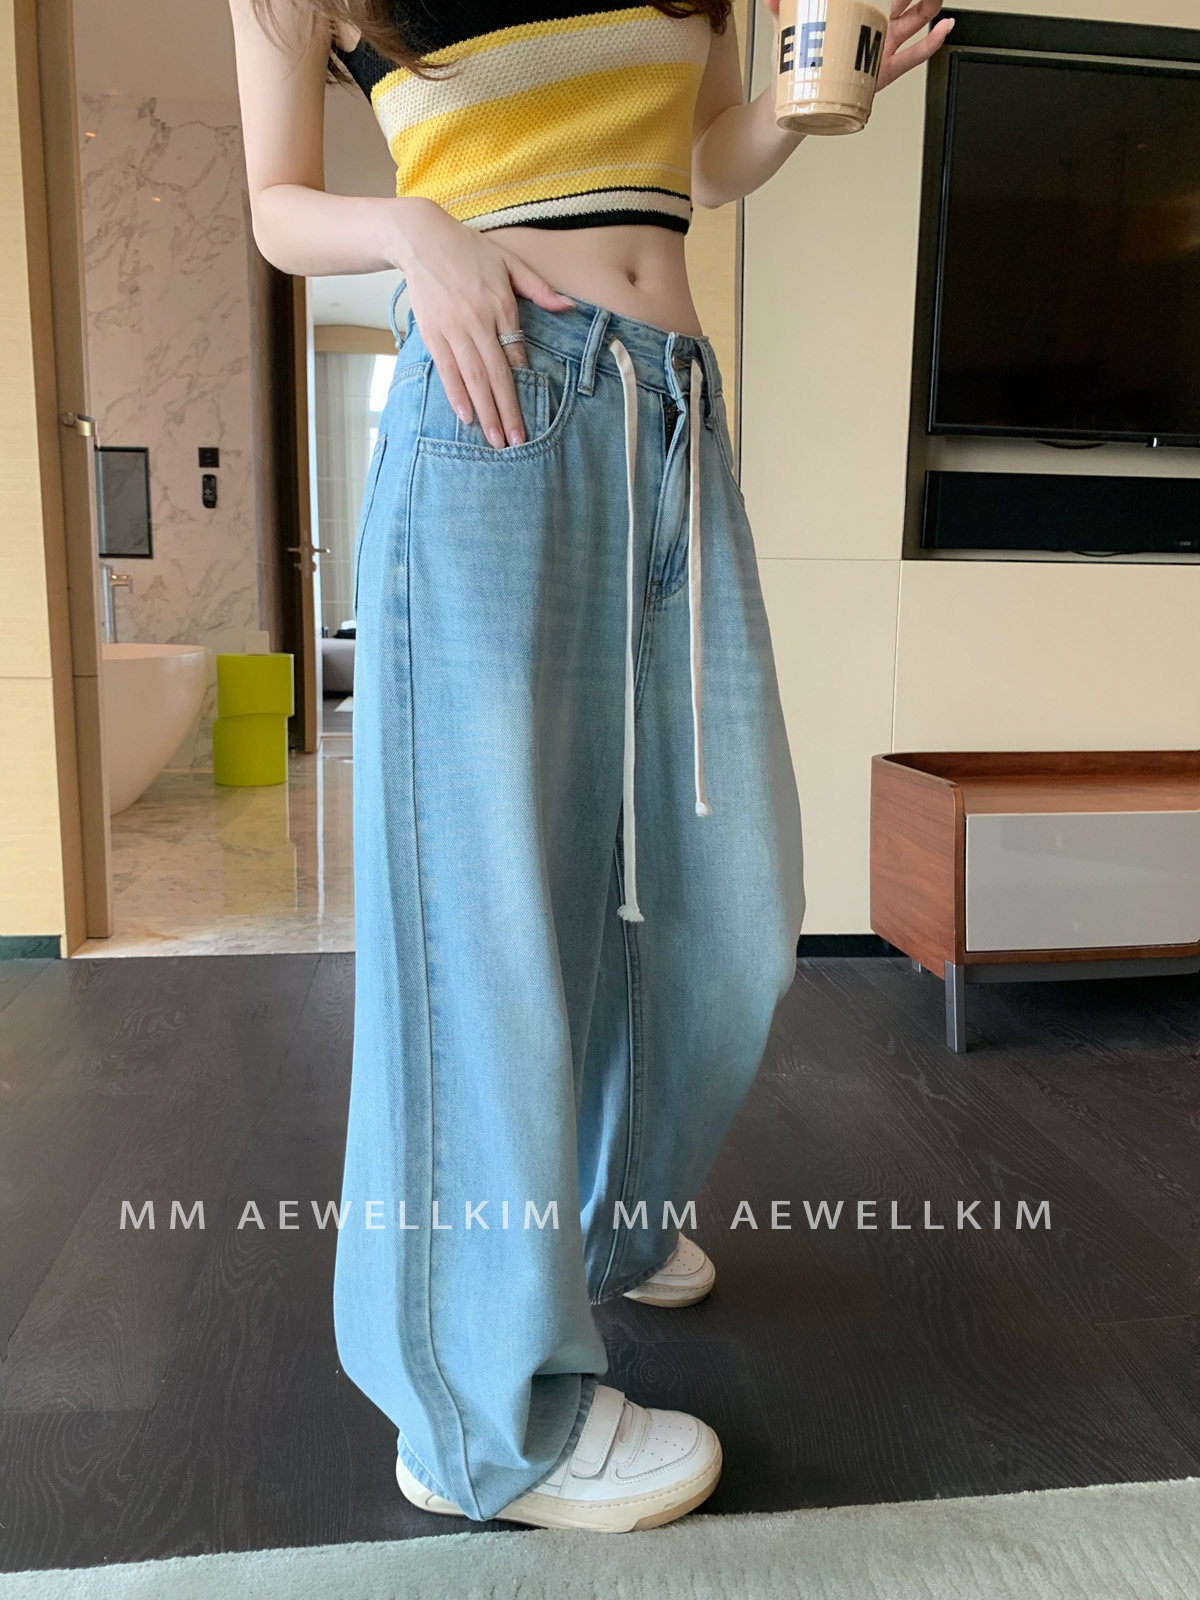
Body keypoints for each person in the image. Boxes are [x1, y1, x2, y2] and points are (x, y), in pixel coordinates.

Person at [228, 0, 952, 1534]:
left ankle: (604, 1229)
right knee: (484, 931)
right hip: (493, 409)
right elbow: (277, 205)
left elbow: (693, 164)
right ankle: (478, 1422)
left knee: (731, 906)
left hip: (671, 417)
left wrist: (807, 106)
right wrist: (410, 229)